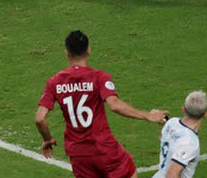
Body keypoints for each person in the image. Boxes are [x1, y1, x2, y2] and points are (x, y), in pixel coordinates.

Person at [35, 30, 170, 177]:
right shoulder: (99, 77)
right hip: (103, 148)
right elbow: (115, 105)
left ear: (67, 53)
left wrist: (47, 140)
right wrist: (147, 115)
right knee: (130, 172)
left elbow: (40, 118)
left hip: (78, 155)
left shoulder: (54, 82)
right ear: (89, 50)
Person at [153, 91, 207, 178]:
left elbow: (163, 138)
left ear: (183, 109)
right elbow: (171, 175)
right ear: (205, 114)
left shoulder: (171, 122)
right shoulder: (190, 143)